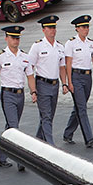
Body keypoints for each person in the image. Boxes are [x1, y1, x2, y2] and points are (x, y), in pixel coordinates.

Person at [0, 25, 34, 169]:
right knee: (15, 128)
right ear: (6, 38)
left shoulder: (24, 56)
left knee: (9, 128)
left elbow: (30, 76)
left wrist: (33, 92)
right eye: (13, 37)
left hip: (20, 95)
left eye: (17, 37)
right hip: (7, 95)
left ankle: (0, 157)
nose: (16, 40)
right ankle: (21, 161)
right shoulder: (0, 56)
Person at [63, 14, 93, 147]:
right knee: (82, 108)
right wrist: (69, 82)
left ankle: (68, 133)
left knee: (79, 107)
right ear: (77, 28)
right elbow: (68, 63)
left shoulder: (90, 43)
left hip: (87, 77)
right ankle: (89, 138)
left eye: (87, 27)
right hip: (76, 77)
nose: (86, 29)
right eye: (83, 27)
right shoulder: (71, 43)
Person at [28, 15, 67, 144]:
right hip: (42, 84)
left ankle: (35, 145)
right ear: (43, 30)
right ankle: (51, 146)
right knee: (46, 117)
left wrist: (64, 83)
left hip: (54, 85)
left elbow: (62, 67)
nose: (52, 30)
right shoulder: (37, 46)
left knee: (49, 117)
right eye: (49, 28)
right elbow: (30, 68)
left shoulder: (60, 47)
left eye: (54, 27)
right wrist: (33, 90)